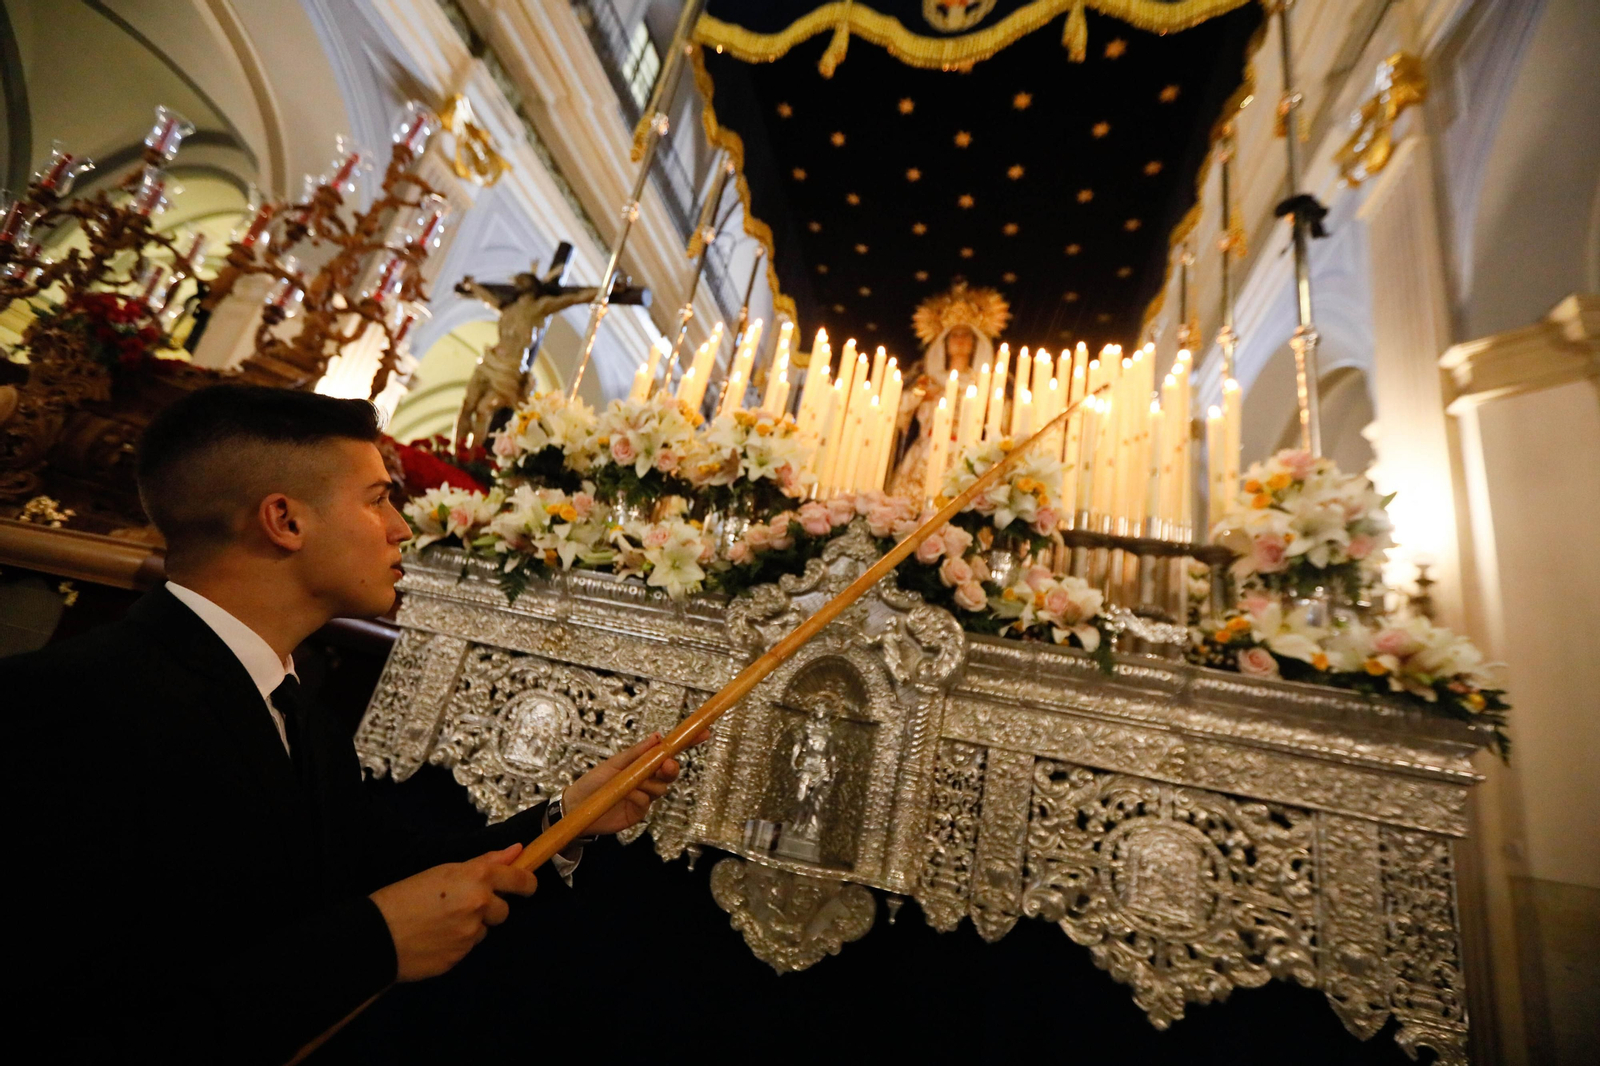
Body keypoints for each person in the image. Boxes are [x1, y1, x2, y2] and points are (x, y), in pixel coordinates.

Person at [3, 384, 707, 1064]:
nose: (403, 526)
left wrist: (568, 815)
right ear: (286, 521)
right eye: (377, 499)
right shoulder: (65, 707)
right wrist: (370, 946)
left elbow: (367, 872)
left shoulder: (296, 712)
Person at [888, 280, 1010, 498]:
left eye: (966, 335)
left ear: (975, 342)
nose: (960, 340)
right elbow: (894, 416)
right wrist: (920, 395)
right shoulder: (927, 380)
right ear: (944, 342)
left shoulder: (985, 385)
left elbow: (1003, 426)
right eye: (954, 335)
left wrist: (991, 405)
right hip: (924, 456)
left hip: (966, 458)